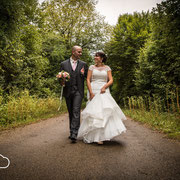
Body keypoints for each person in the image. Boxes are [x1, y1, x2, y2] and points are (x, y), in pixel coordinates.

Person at [77, 52, 126, 145]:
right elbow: (88, 79)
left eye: (97, 56)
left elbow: (111, 79)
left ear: (102, 58)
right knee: (94, 113)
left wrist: (104, 87)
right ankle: (93, 135)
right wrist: (90, 92)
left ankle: (101, 136)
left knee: (104, 112)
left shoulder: (107, 68)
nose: (95, 57)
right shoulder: (91, 67)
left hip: (104, 90)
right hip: (94, 89)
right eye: (95, 56)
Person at [60, 46, 88, 143]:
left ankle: (74, 133)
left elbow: (87, 78)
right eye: (79, 52)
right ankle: (71, 131)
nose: (81, 54)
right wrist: (62, 81)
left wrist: (83, 73)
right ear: (73, 52)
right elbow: (61, 80)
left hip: (78, 91)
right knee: (71, 112)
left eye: (81, 52)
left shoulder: (84, 64)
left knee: (76, 111)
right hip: (68, 91)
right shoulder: (63, 64)